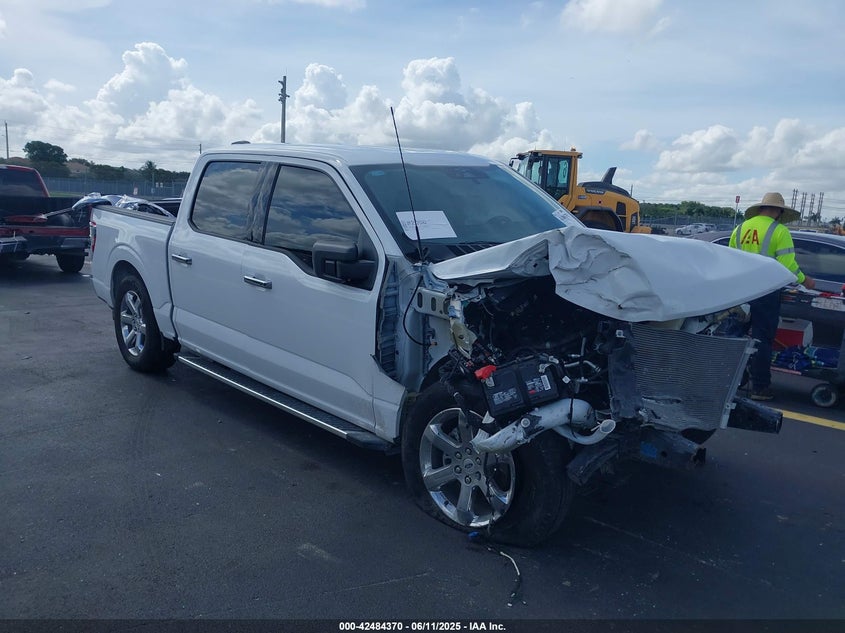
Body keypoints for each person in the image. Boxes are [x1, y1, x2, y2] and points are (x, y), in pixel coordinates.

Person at [730, 192, 815, 401]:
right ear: (778, 211)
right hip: (765, 292)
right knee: (762, 339)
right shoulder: (779, 231)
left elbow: (729, 259)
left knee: (733, 336)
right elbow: (788, 265)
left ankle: (725, 380)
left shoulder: (740, 228)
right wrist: (805, 280)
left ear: (760, 208)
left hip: (739, 292)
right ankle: (760, 388)